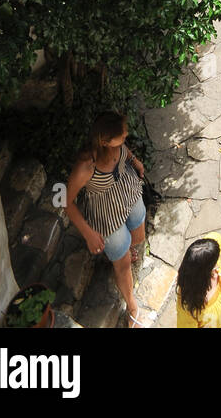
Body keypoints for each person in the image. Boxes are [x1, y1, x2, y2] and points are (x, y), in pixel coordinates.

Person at [64, 111, 146, 327]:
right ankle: (132, 305)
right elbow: (66, 201)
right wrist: (89, 233)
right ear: (104, 141)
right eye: (122, 134)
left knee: (138, 235)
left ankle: (128, 251)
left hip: (129, 193)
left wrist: (135, 161)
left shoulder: (116, 146)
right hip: (106, 214)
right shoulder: (86, 167)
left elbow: (124, 151)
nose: (126, 135)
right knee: (123, 264)